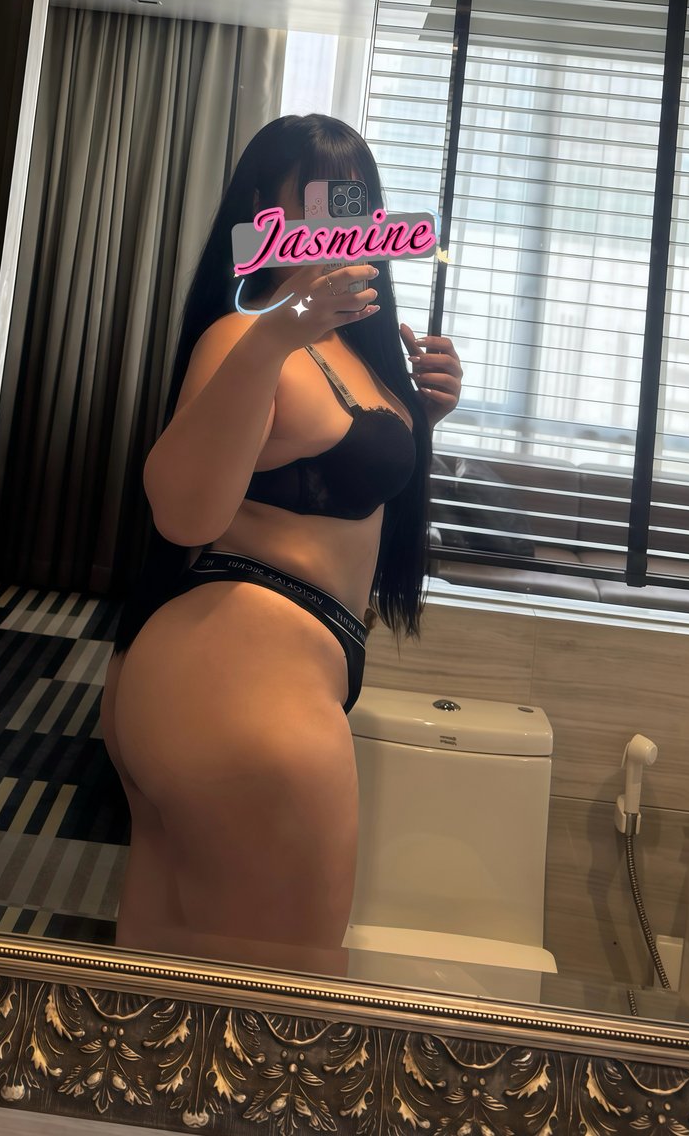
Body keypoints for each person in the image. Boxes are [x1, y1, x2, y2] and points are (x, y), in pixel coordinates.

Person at [99, 114, 462, 973]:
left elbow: (347, 497)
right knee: (280, 1003)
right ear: (263, 209)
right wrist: (276, 327)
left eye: (358, 203)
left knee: (157, 994)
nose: (344, 224)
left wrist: (423, 417)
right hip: (241, 683)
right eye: (322, 201)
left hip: (237, 683)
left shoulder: (352, 351)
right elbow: (182, 512)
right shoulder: (246, 336)